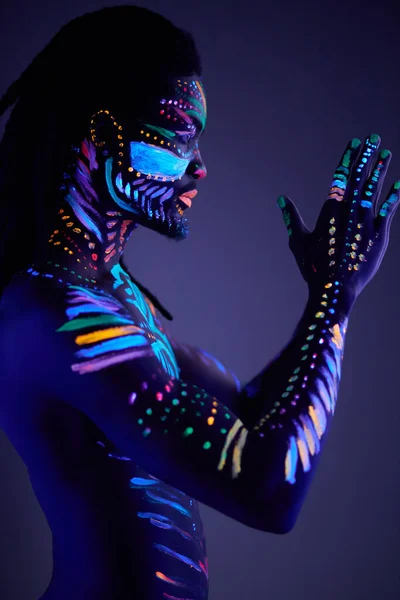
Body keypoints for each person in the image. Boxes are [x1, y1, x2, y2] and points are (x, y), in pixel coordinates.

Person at [0, 5, 398, 600]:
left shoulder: (112, 292)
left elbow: (248, 419)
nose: (201, 167)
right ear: (108, 137)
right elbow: (268, 489)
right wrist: (334, 300)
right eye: (182, 138)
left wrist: (327, 293)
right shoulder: (53, 319)